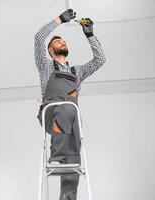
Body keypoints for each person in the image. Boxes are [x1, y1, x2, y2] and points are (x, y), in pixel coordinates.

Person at [34, 9, 106, 200]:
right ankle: (56, 155)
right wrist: (59, 20)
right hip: (51, 114)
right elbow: (39, 37)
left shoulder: (77, 71)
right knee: (66, 107)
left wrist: (89, 34)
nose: (62, 42)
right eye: (57, 41)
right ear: (50, 50)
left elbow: (100, 60)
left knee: (74, 162)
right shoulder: (46, 66)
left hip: (73, 119)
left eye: (64, 41)